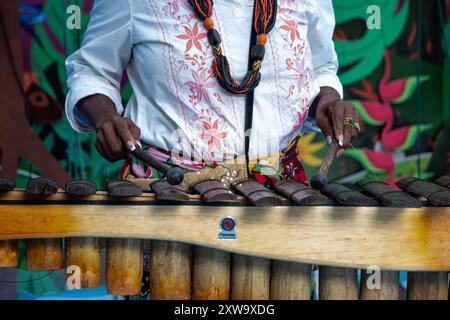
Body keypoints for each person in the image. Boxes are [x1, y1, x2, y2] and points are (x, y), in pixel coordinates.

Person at [65, 0, 360, 187]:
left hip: (279, 191)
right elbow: (92, 70)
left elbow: (321, 67)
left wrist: (328, 100)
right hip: (170, 191)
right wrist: (104, 118)